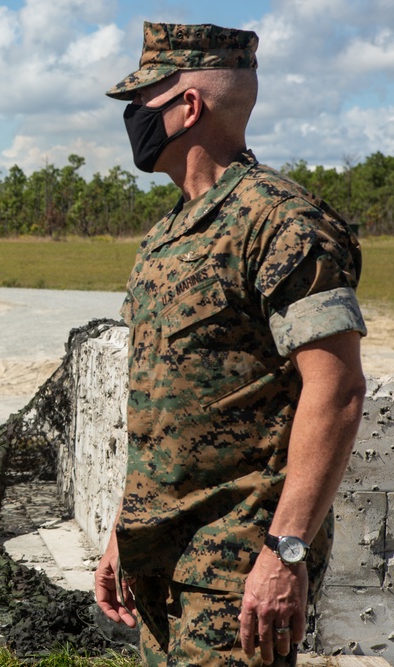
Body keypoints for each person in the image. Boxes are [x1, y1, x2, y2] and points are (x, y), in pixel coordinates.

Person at [93, 22, 368, 667]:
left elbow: (337, 390)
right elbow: (161, 408)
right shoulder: (168, 236)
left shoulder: (282, 224)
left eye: (142, 102)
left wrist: (286, 552)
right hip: (157, 564)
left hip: (237, 573)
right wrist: (121, 533)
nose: (133, 118)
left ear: (187, 108)